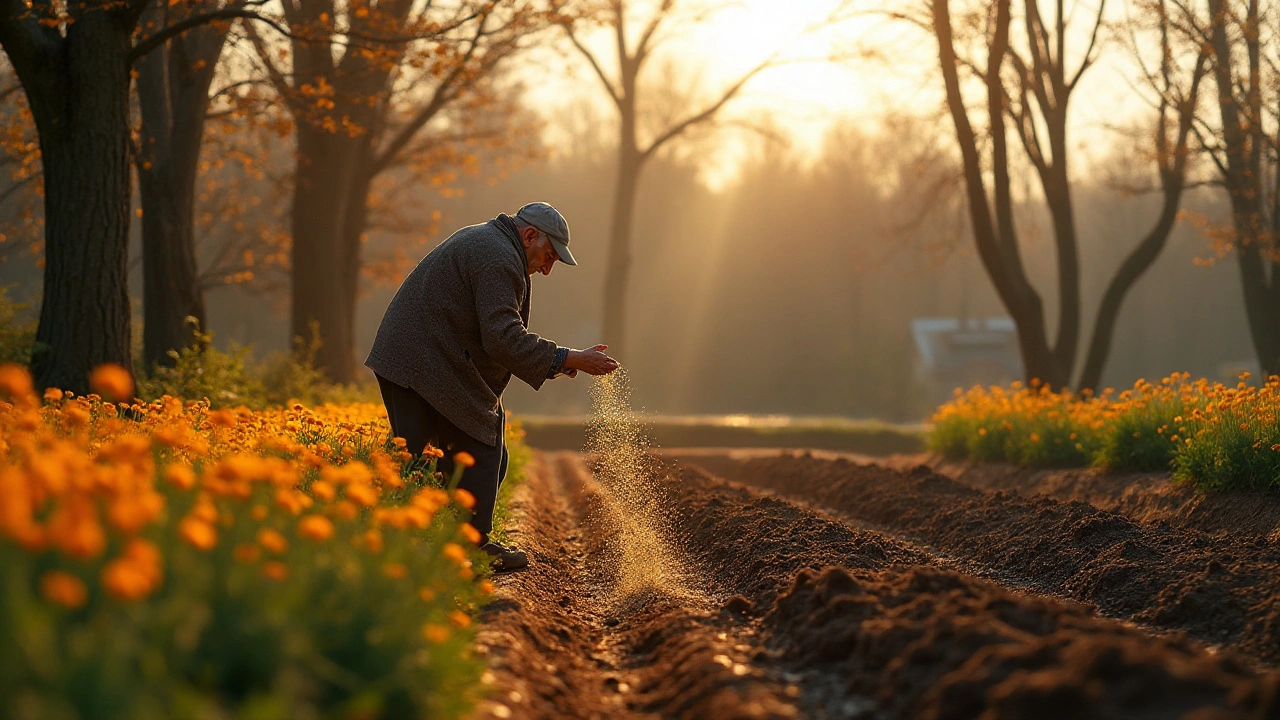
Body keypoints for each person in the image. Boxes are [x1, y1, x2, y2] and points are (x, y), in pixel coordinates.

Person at [366, 202, 618, 571]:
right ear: (529, 235)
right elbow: (502, 338)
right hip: (421, 361)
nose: (546, 269)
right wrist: (568, 358)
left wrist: (563, 361)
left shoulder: (489, 242)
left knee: (446, 456)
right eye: (548, 257)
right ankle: (462, 548)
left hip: (419, 357)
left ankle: (432, 544)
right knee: (470, 445)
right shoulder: (498, 257)